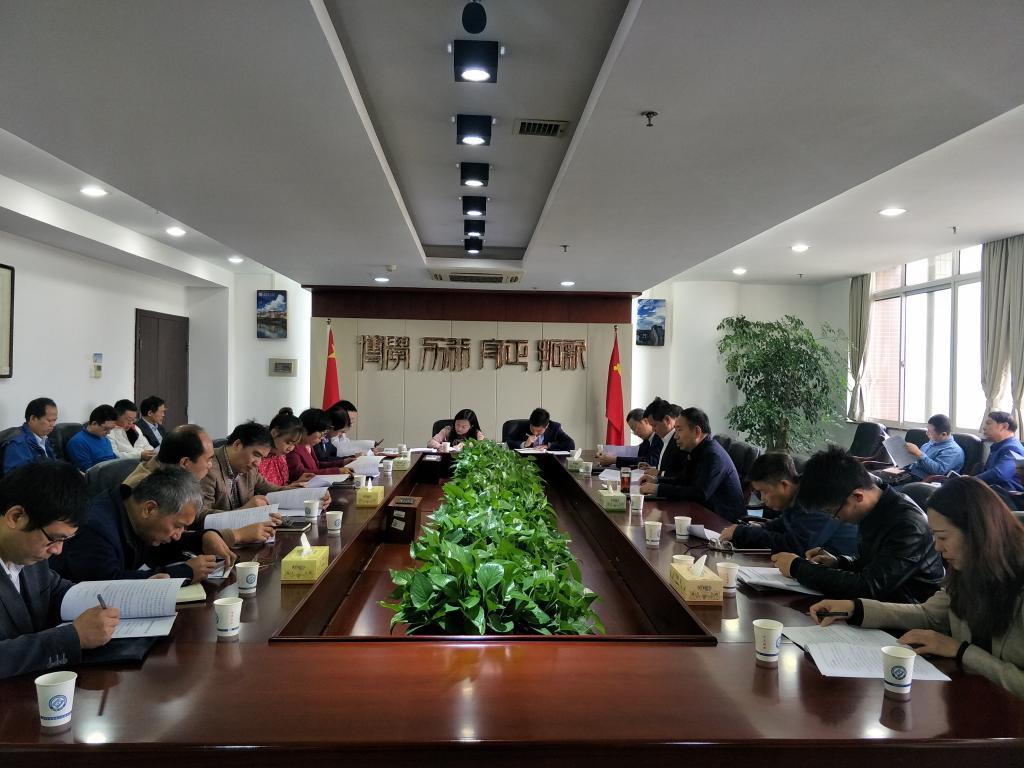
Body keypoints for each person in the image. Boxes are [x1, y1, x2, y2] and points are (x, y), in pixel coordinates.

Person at [809, 477, 1024, 699]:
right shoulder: (969, 569)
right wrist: (855, 608)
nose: (937, 547)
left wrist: (961, 651)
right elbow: (929, 614)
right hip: (970, 696)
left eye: (943, 536)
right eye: (934, 536)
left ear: (977, 532)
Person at [772, 446, 945, 602]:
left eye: (833, 512)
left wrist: (798, 568)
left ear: (857, 496)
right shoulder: (876, 507)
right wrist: (839, 562)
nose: (836, 519)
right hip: (879, 605)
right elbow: (872, 564)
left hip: (906, 613)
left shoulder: (908, 525)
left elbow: (870, 587)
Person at [0, 462, 120, 679]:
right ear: (16, 517)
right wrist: (72, 638)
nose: (57, 550)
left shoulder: (27, 549)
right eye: (54, 539)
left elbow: (55, 590)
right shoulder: (26, 548)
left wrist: (130, 594)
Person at [51, 466, 234, 584]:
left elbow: (155, 548)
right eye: (178, 526)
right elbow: (106, 583)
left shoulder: (132, 512)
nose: (178, 534)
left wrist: (203, 538)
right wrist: (184, 572)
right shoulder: (95, 528)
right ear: (149, 509)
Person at [123, 426, 277, 546]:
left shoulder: (173, 476)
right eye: (208, 459)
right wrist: (237, 535)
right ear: (185, 462)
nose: (210, 465)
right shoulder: (146, 487)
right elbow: (167, 541)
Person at [720, 452, 858, 556]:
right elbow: (786, 522)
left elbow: (798, 546)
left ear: (784, 485)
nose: (763, 499)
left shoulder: (814, 497)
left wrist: (744, 533)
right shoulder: (799, 489)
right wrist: (762, 526)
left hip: (840, 567)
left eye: (764, 491)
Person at [643, 407, 745, 521]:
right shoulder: (698, 450)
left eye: (679, 430)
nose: (675, 436)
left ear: (697, 431)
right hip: (703, 512)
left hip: (724, 521)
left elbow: (699, 494)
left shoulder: (712, 455)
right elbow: (683, 479)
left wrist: (657, 489)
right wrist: (656, 481)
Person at [202, 422, 289, 513]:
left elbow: (270, 489)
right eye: (256, 455)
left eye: (261, 457)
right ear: (237, 445)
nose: (258, 463)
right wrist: (243, 511)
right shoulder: (207, 466)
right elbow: (200, 515)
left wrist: (295, 490)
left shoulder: (250, 469)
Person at [287, 409, 353, 482]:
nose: (322, 438)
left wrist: (342, 462)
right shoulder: (292, 448)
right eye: (321, 434)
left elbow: (317, 465)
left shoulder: (308, 445)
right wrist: (337, 471)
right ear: (306, 429)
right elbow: (299, 473)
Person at [896, 414, 964, 482]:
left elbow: (939, 471)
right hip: (910, 475)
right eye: (927, 430)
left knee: (892, 488)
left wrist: (919, 454)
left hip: (927, 483)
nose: (926, 433)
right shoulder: (930, 443)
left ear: (943, 434)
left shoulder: (953, 450)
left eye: (930, 432)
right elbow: (917, 463)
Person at [1, 398, 58, 474]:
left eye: (54, 420)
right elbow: (18, 478)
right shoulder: (18, 444)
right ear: (33, 418)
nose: (53, 425)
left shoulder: (43, 438)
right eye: (49, 420)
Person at [638, 398, 685, 485]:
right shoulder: (665, 439)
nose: (653, 430)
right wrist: (655, 469)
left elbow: (681, 476)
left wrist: (660, 473)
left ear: (667, 420)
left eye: (655, 425)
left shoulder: (680, 441)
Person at [257, 408, 308, 487]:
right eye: (288, 443)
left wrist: (297, 482)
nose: (291, 448)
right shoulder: (257, 459)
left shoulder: (281, 457)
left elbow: (282, 486)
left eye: (294, 444)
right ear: (274, 433)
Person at [976, 411, 1024, 493]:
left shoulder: (1013, 448)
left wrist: (972, 480)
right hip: (994, 492)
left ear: (1004, 426)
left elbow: (1000, 474)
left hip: (1008, 496)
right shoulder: (999, 446)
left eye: (988, 423)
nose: (984, 427)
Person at [596, 408, 661, 468]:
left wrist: (614, 460)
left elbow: (649, 461)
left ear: (645, 421)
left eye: (635, 428)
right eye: (633, 430)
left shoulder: (660, 438)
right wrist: (605, 454)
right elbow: (633, 455)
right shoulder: (647, 442)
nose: (635, 433)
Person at [65, 404, 118, 471]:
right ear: (94, 423)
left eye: (111, 429)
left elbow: (114, 460)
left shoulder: (105, 439)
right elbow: (88, 472)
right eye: (105, 429)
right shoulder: (78, 442)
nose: (109, 432)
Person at [505, 408, 575, 452]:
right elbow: (507, 442)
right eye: (532, 429)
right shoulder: (522, 426)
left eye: (539, 431)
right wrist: (524, 444)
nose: (535, 433)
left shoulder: (555, 427)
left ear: (546, 426)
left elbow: (570, 444)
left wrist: (549, 445)